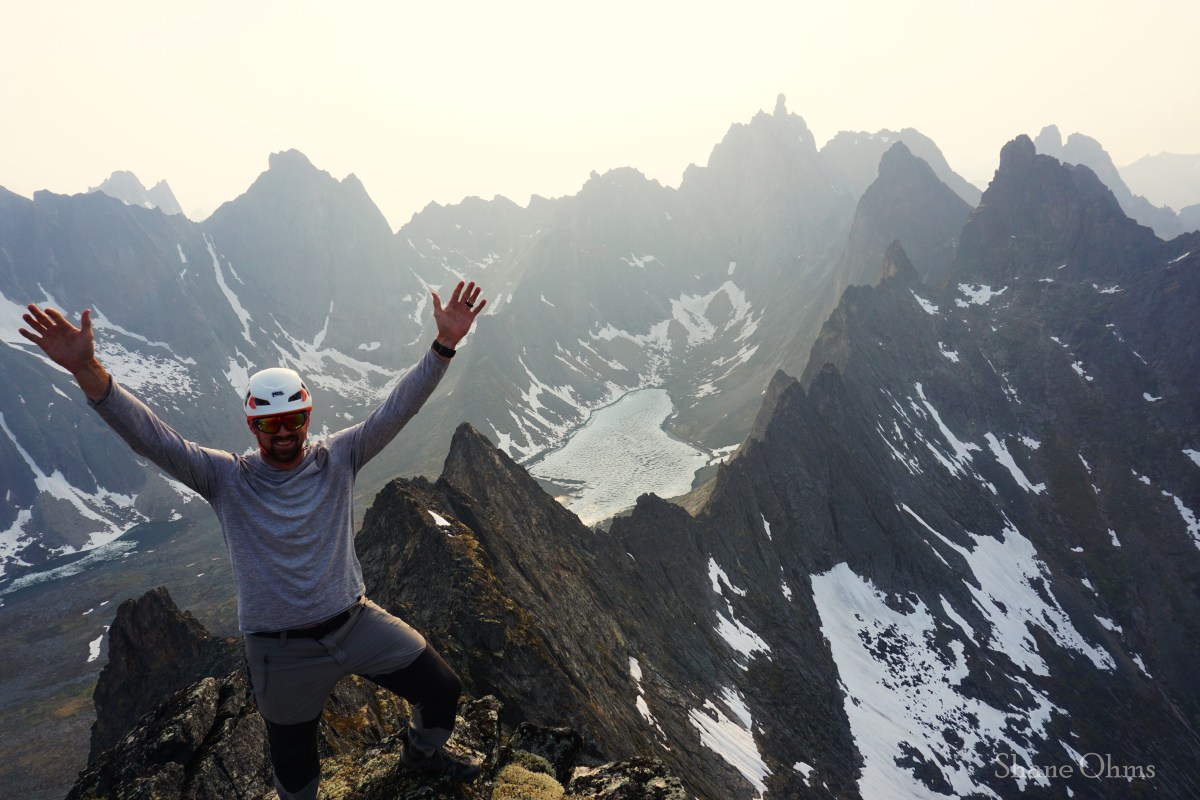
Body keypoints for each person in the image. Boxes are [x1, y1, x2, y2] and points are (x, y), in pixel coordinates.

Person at [19, 281, 488, 799]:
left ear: (307, 417)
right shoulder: (226, 478)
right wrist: (88, 370)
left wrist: (444, 345)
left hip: (355, 621)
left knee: (442, 689)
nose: (283, 431)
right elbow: (152, 437)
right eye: (270, 423)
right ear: (253, 426)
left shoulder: (340, 458)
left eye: (292, 420)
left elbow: (397, 409)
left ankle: (421, 756)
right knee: (295, 773)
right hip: (279, 651)